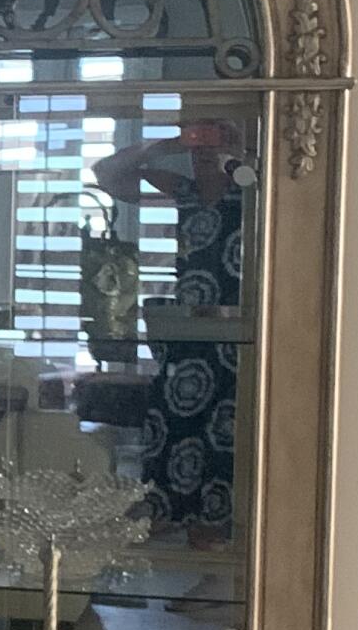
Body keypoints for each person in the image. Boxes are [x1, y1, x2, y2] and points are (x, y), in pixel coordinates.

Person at [91, 117, 246, 546]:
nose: (205, 153)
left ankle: (212, 561)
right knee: (172, 435)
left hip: (236, 343)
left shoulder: (251, 190)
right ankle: (171, 534)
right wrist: (168, 143)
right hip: (185, 339)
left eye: (216, 142)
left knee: (223, 448)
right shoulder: (185, 191)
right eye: (200, 146)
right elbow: (106, 174)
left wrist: (239, 156)